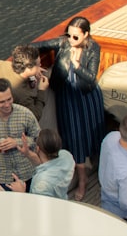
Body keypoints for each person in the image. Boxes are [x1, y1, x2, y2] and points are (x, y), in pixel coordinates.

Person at [32, 16, 105, 200]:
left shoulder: (93, 48)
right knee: (74, 138)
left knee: (93, 134)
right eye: (69, 35)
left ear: (86, 34)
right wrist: (34, 66)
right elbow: (35, 46)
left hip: (87, 97)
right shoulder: (63, 43)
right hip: (67, 97)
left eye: (75, 37)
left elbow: (91, 78)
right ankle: (82, 181)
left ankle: (97, 163)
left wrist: (77, 65)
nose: (70, 40)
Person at [0, 44, 49, 121]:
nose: (40, 65)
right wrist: (42, 90)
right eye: (38, 65)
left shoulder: (5, 65)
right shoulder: (23, 96)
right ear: (29, 68)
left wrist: (33, 73)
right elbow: (35, 117)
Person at [16, 128, 74, 199]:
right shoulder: (66, 155)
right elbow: (46, 164)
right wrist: (27, 153)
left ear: (38, 148)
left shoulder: (41, 185)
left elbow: (36, 204)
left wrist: (21, 193)